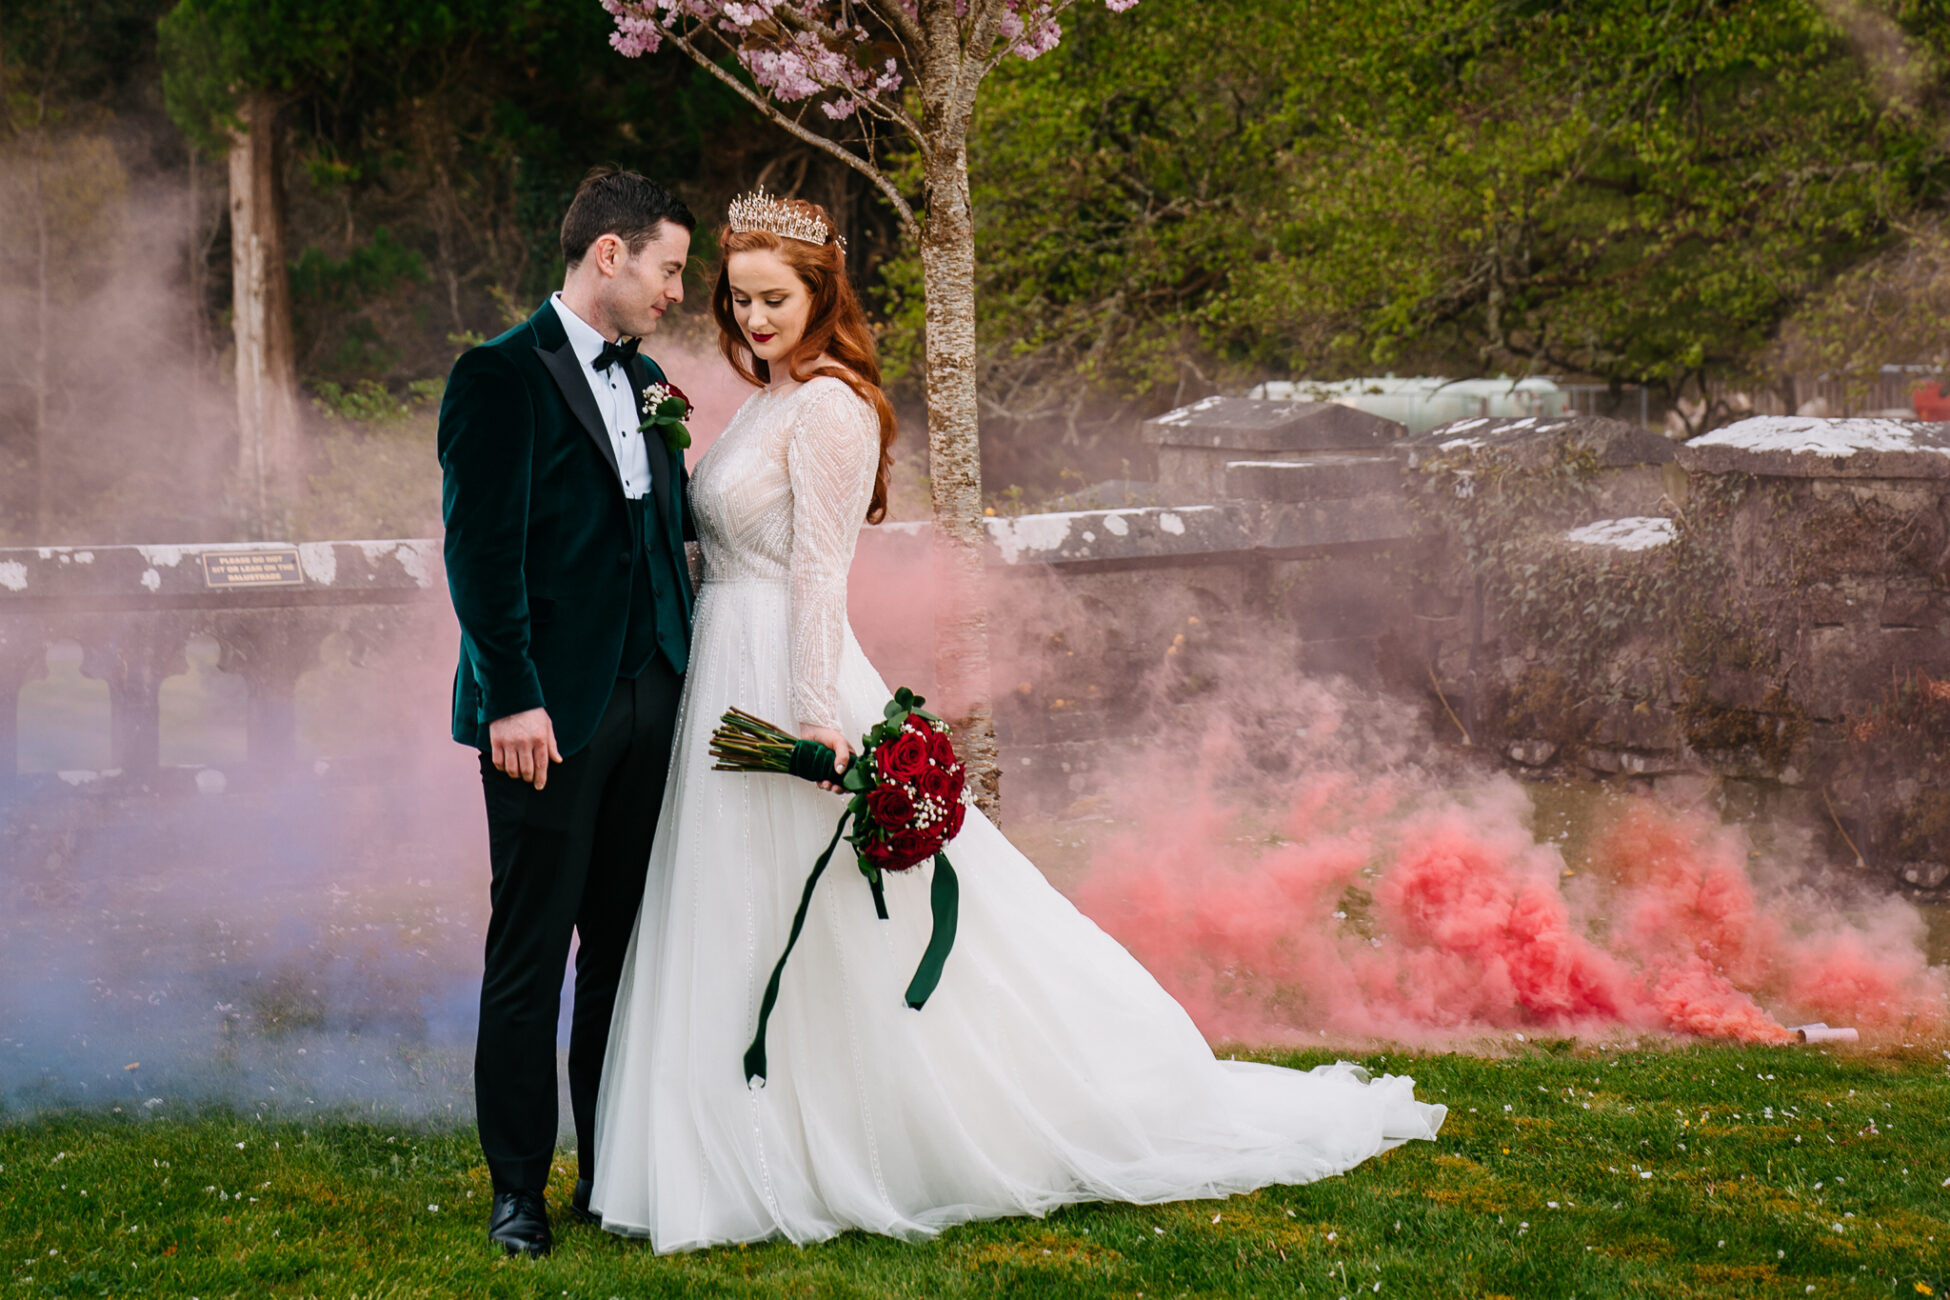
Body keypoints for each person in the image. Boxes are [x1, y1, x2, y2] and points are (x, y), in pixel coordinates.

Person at [589, 190, 1445, 1252]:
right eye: (742, 298)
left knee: (830, 921)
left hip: (782, 675)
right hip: (721, 670)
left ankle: (868, 1133)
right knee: (734, 910)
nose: (756, 317)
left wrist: (817, 721)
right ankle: (734, 1143)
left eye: (778, 299)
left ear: (823, 297)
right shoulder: (765, 402)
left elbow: (818, 575)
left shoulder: (833, 409)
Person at [437, 166, 697, 1258]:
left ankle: (606, 1170)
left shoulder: (649, 381)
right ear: (610, 255)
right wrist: (515, 698)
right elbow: (480, 554)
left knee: (624, 951)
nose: (679, 292)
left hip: (654, 698)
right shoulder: (499, 376)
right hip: (544, 717)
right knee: (531, 950)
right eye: (670, 268)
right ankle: (517, 1193)